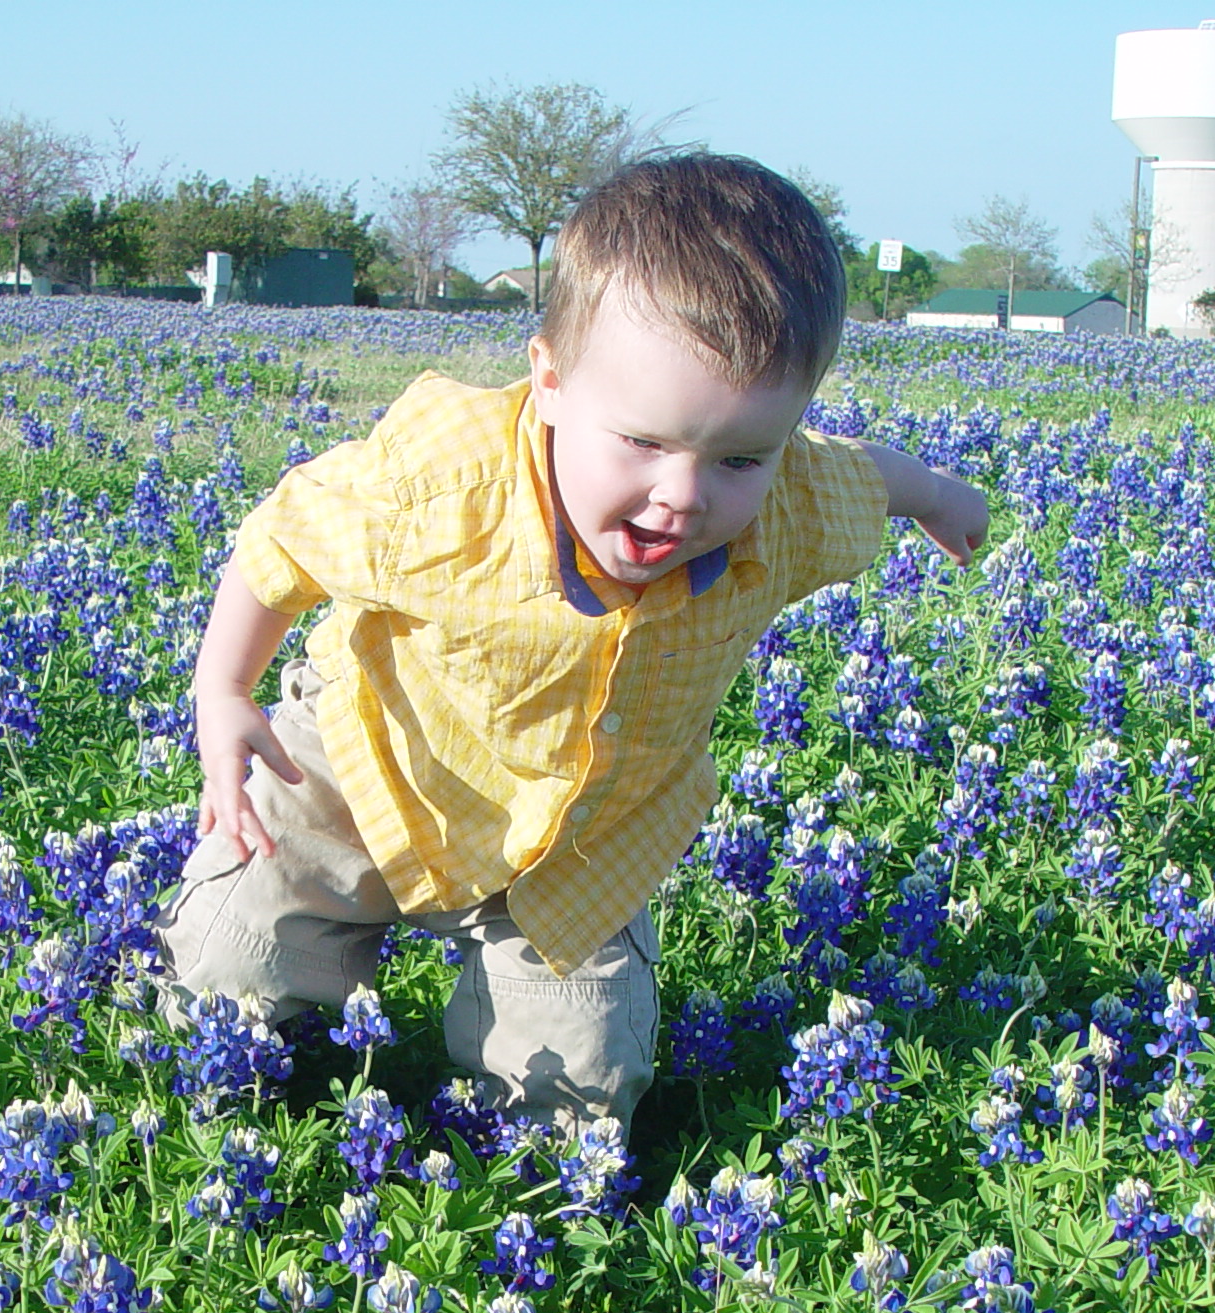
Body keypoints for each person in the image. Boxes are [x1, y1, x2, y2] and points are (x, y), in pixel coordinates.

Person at [156, 152, 988, 1140]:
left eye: (736, 458)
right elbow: (278, 542)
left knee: (575, 1084)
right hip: (369, 756)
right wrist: (223, 687)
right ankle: (245, 1122)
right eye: (642, 442)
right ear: (546, 382)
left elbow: (859, 474)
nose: (682, 496)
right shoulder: (440, 488)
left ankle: (533, 1182)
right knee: (236, 962)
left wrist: (941, 495)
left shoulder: (791, 502)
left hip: (586, 830)